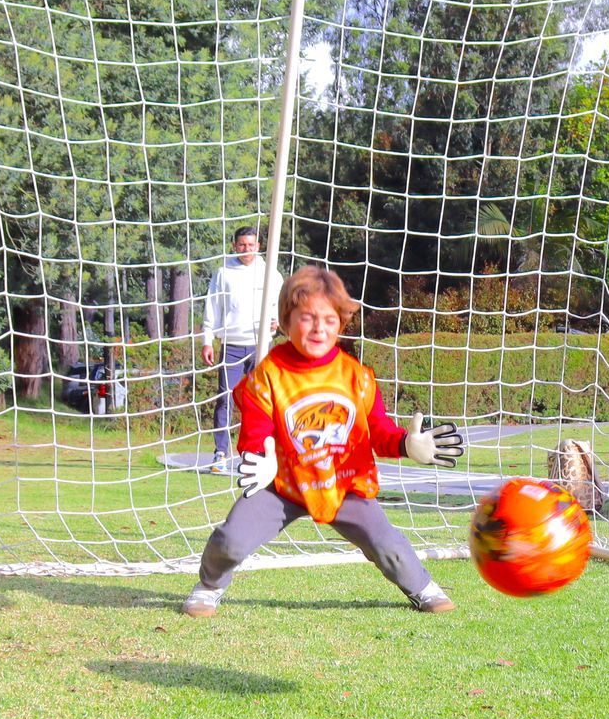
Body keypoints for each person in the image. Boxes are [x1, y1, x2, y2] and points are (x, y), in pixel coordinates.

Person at [182, 267, 466, 617]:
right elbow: (255, 434)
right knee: (231, 541)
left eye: (329, 320)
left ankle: (423, 587)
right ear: (286, 320)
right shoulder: (267, 376)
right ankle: (209, 585)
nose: (319, 328)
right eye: (308, 318)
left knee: (386, 544)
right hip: (281, 484)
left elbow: (377, 431)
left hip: (341, 482)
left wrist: (407, 444)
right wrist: (261, 456)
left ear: (341, 324)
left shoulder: (356, 377)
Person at [200, 227, 281, 472]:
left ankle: (255, 454)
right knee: (225, 398)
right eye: (242, 245)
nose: (247, 249)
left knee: (260, 403)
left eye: (251, 245)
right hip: (232, 346)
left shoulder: (270, 273)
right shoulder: (224, 272)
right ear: (235, 246)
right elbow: (212, 307)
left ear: (258, 246)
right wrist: (207, 339)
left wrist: (277, 323)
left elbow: (279, 307)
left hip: (261, 346)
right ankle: (220, 453)